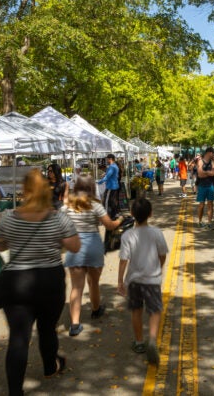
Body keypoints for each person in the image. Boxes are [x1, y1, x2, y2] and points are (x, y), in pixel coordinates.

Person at [0, 169, 81, 395]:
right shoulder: (59, 217)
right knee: (47, 328)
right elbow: (75, 246)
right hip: (49, 278)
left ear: (25, 191)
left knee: (19, 337)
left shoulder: (9, 217)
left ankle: (15, 391)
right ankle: (50, 366)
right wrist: (55, 238)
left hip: (15, 281)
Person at [62, 175, 125, 336]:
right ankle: (96, 309)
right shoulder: (95, 205)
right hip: (93, 247)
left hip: (74, 247)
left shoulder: (68, 206)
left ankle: (75, 324)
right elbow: (109, 225)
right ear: (91, 188)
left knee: (76, 287)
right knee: (93, 283)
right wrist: (120, 220)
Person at [117, 198, 168, 365]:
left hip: (134, 280)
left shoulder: (127, 235)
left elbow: (124, 260)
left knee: (136, 310)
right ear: (150, 214)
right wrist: (158, 267)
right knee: (154, 310)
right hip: (152, 279)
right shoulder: (156, 233)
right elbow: (162, 254)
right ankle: (152, 339)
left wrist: (120, 281)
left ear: (131, 214)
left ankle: (139, 342)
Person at [196, 147, 214, 229]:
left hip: (210, 186)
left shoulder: (212, 162)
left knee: (210, 205)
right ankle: (200, 221)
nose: (213, 154)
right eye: (213, 153)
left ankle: (209, 222)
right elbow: (199, 174)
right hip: (202, 186)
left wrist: (205, 172)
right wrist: (209, 173)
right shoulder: (200, 161)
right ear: (209, 152)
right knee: (201, 205)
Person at [97, 154, 121, 220]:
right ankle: (114, 214)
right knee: (112, 201)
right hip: (114, 186)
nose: (106, 160)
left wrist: (99, 182)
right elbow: (110, 175)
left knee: (106, 202)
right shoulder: (115, 166)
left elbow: (107, 177)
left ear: (110, 159)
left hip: (111, 186)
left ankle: (107, 217)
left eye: (107, 159)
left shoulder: (112, 167)